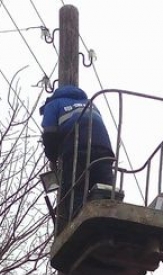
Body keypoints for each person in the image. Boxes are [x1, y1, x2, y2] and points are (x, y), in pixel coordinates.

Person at [40, 84, 115, 219]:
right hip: (104, 149)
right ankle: (110, 221)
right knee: (106, 191)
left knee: (74, 192)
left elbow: (49, 135)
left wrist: (52, 159)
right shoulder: (89, 103)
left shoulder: (52, 105)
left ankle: (80, 222)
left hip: (76, 150)